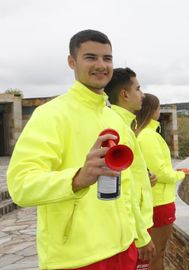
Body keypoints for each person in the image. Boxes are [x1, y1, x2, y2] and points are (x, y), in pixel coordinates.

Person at [7, 29, 153, 270]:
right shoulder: (50, 115)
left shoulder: (115, 119)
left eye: (107, 58)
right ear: (71, 62)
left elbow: (129, 186)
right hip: (76, 259)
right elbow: (20, 185)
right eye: (90, 57)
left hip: (123, 249)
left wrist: (140, 234)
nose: (101, 65)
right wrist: (77, 178)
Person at [104, 67, 158, 266]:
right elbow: (124, 188)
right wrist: (141, 235)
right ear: (125, 94)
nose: (142, 95)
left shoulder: (125, 125)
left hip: (134, 226)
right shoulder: (119, 128)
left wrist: (146, 178)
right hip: (134, 229)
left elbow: (131, 176)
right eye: (138, 89)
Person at [135, 93, 188, 270]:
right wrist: (180, 175)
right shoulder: (148, 136)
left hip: (154, 203)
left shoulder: (142, 133)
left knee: (153, 254)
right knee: (157, 254)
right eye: (158, 107)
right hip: (159, 203)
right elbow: (160, 172)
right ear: (153, 110)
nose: (159, 111)